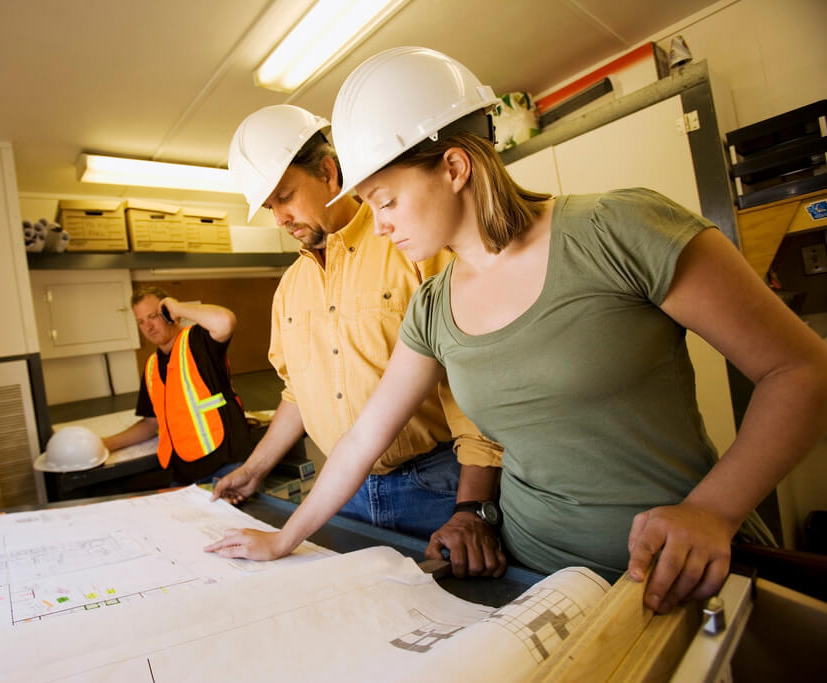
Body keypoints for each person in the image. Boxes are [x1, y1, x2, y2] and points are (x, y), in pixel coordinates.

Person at [205, 47, 827, 614]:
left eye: (387, 201)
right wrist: (285, 538)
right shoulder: (432, 305)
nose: (378, 223)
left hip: (676, 572)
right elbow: (365, 434)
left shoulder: (616, 230)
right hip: (533, 583)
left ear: (453, 167)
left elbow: (802, 370)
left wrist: (711, 511)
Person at [210, 104, 507, 578]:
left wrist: (472, 507)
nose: (281, 218)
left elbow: (475, 386)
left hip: (435, 486)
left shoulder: (413, 244)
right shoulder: (290, 288)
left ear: (328, 172)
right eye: (270, 208)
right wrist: (255, 467)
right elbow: (299, 394)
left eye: (286, 196)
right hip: (339, 493)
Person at [102, 286, 250, 486]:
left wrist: (178, 308)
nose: (148, 327)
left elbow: (226, 321)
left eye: (153, 316)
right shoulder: (152, 366)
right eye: (141, 322)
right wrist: (105, 444)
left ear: (168, 313)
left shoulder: (198, 341)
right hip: (184, 476)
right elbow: (150, 424)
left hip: (226, 467)